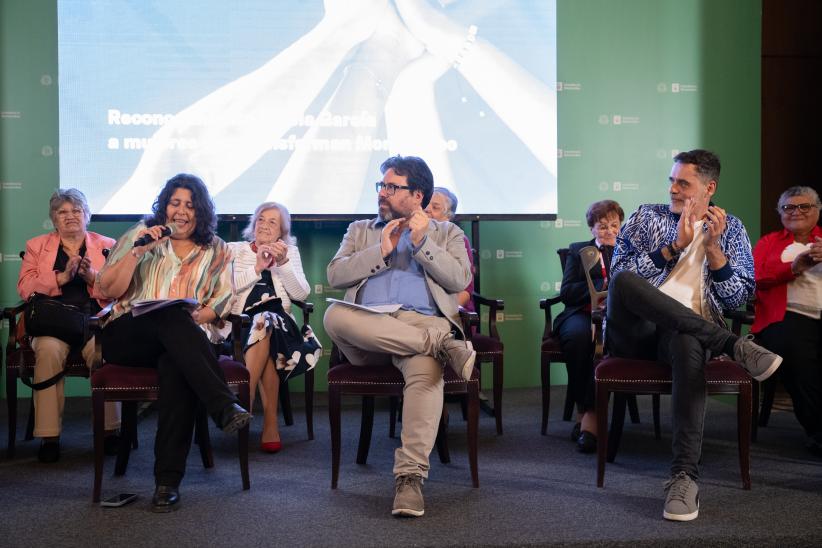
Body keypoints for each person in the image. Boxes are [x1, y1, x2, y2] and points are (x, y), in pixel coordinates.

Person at [607, 149, 782, 522]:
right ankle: (733, 345)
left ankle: (684, 477)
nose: (673, 188)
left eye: (683, 183)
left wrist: (715, 253)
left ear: (709, 188)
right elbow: (620, 279)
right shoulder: (645, 217)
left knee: (687, 338)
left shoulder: (731, 229)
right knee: (624, 279)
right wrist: (674, 247)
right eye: (671, 180)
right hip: (637, 332)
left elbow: (739, 297)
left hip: (687, 335)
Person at [323, 155, 474, 518]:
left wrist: (423, 243)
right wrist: (382, 250)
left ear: (417, 194)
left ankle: (409, 480)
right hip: (367, 330)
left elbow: (458, 280)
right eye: (382, 186)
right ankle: (442, 346)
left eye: (392, 187)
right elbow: (335, 275)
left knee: (427, 373)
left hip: (419, 325)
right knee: (333, 314)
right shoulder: (360, 230)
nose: (383, 193)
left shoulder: (447, 232)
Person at [96, 173, 251, 513]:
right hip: (130, 335)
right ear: (164, 206)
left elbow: (221, 302)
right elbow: (108, 289)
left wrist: (190, 319)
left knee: (175, 359)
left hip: (184, 340)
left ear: (201, 212)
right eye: (175, 203)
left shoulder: (217, 250)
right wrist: (139, 253)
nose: (181, 211)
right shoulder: (140, 235)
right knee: (172, 317)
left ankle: (167, 483)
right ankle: (223, 405)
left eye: (190, 205)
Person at [16, 189, 120, 463]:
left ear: (86, 215)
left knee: (104, 353)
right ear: (54, 219)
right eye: (63, 212)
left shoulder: (107, 244)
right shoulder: (37, 246)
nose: (70, 216)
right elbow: (25, 289)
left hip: (93, 323)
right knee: (48, 351)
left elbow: (119, 291)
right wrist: (61, 278)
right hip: (53, 324)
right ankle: (49, 437)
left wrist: (90, 276)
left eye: (76, 211)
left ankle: (110, 432)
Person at [215, 201, 319, 454]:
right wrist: (257, 267)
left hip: (281, 325)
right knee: (264, 327)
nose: (264, 224)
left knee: (268, 320)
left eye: (273, 221)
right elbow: (224, 290)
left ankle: (244, 401)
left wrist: (282, 265)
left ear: (282, 231)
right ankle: (270, 424)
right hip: (239, 326)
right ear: (253, 224)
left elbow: (301, 294)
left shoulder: (290, 253)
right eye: (261, 219)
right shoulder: (235, 250)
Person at [751, 186, 822, 457]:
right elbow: (756, 278)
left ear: (817, 210)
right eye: (788, 207)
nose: (796, 212)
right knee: (797, 354)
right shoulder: (769, 243)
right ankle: (817, 430)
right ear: (780, 213)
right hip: (786, 316)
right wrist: (793, 267)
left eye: (804, 206)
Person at [554, 200, 623, 453]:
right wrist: (600, 287)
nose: (609, 231)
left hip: (616, 317)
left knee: (610, 343)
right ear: (592, 228)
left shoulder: (627, 251)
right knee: (579, 338)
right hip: (581, 313)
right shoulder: (578, 250)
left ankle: (586, 418)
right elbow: (568, 292)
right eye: (602, 226)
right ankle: (587, 412)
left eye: (614, 225)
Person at [424, 186, 474, 311]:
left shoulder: (457, 239)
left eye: (435, 207)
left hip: (449, 311)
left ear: (448, 217)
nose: (427, 209)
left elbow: (465, 292)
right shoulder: (411, 235)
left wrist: (444, 313)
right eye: (425, 204)